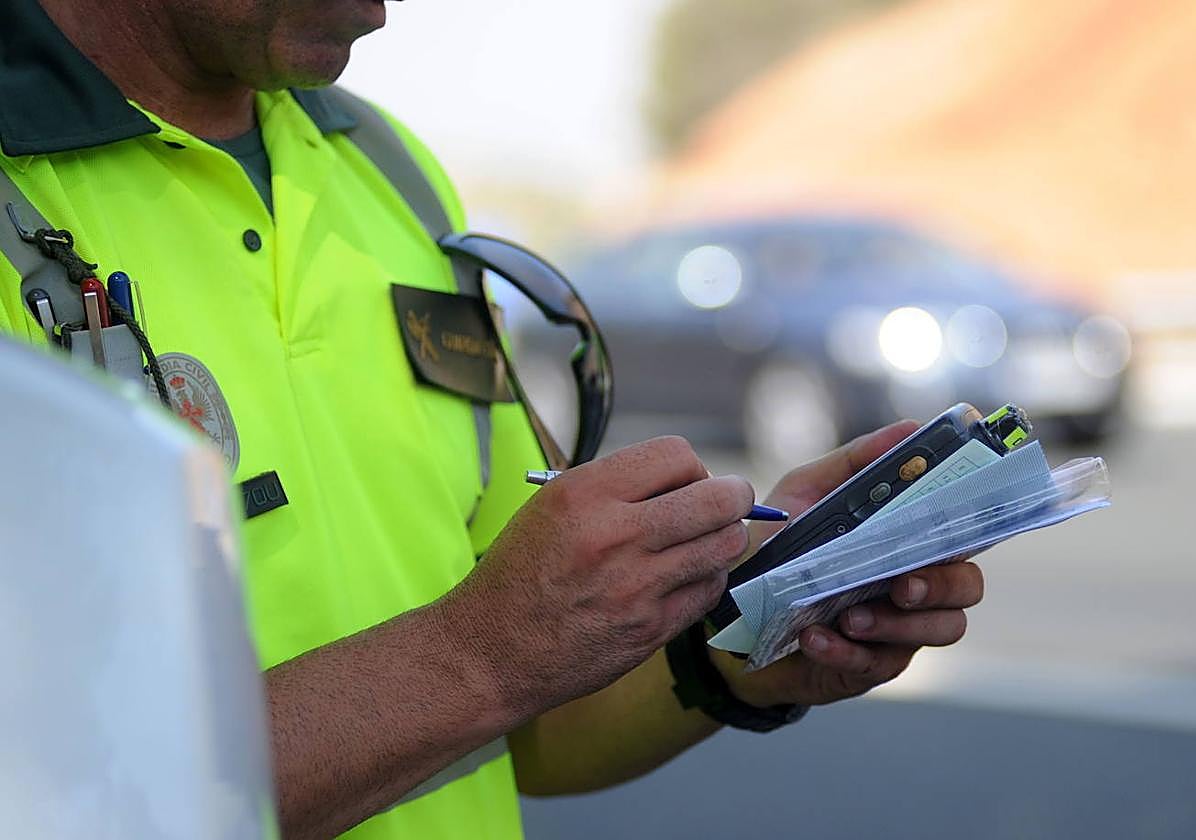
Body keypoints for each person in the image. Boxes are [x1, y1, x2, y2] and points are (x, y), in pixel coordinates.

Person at [0, 1, 985, 838]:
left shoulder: (382, 168)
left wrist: (754, 631)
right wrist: (480, 653)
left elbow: (530, 721)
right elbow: (47, 791)